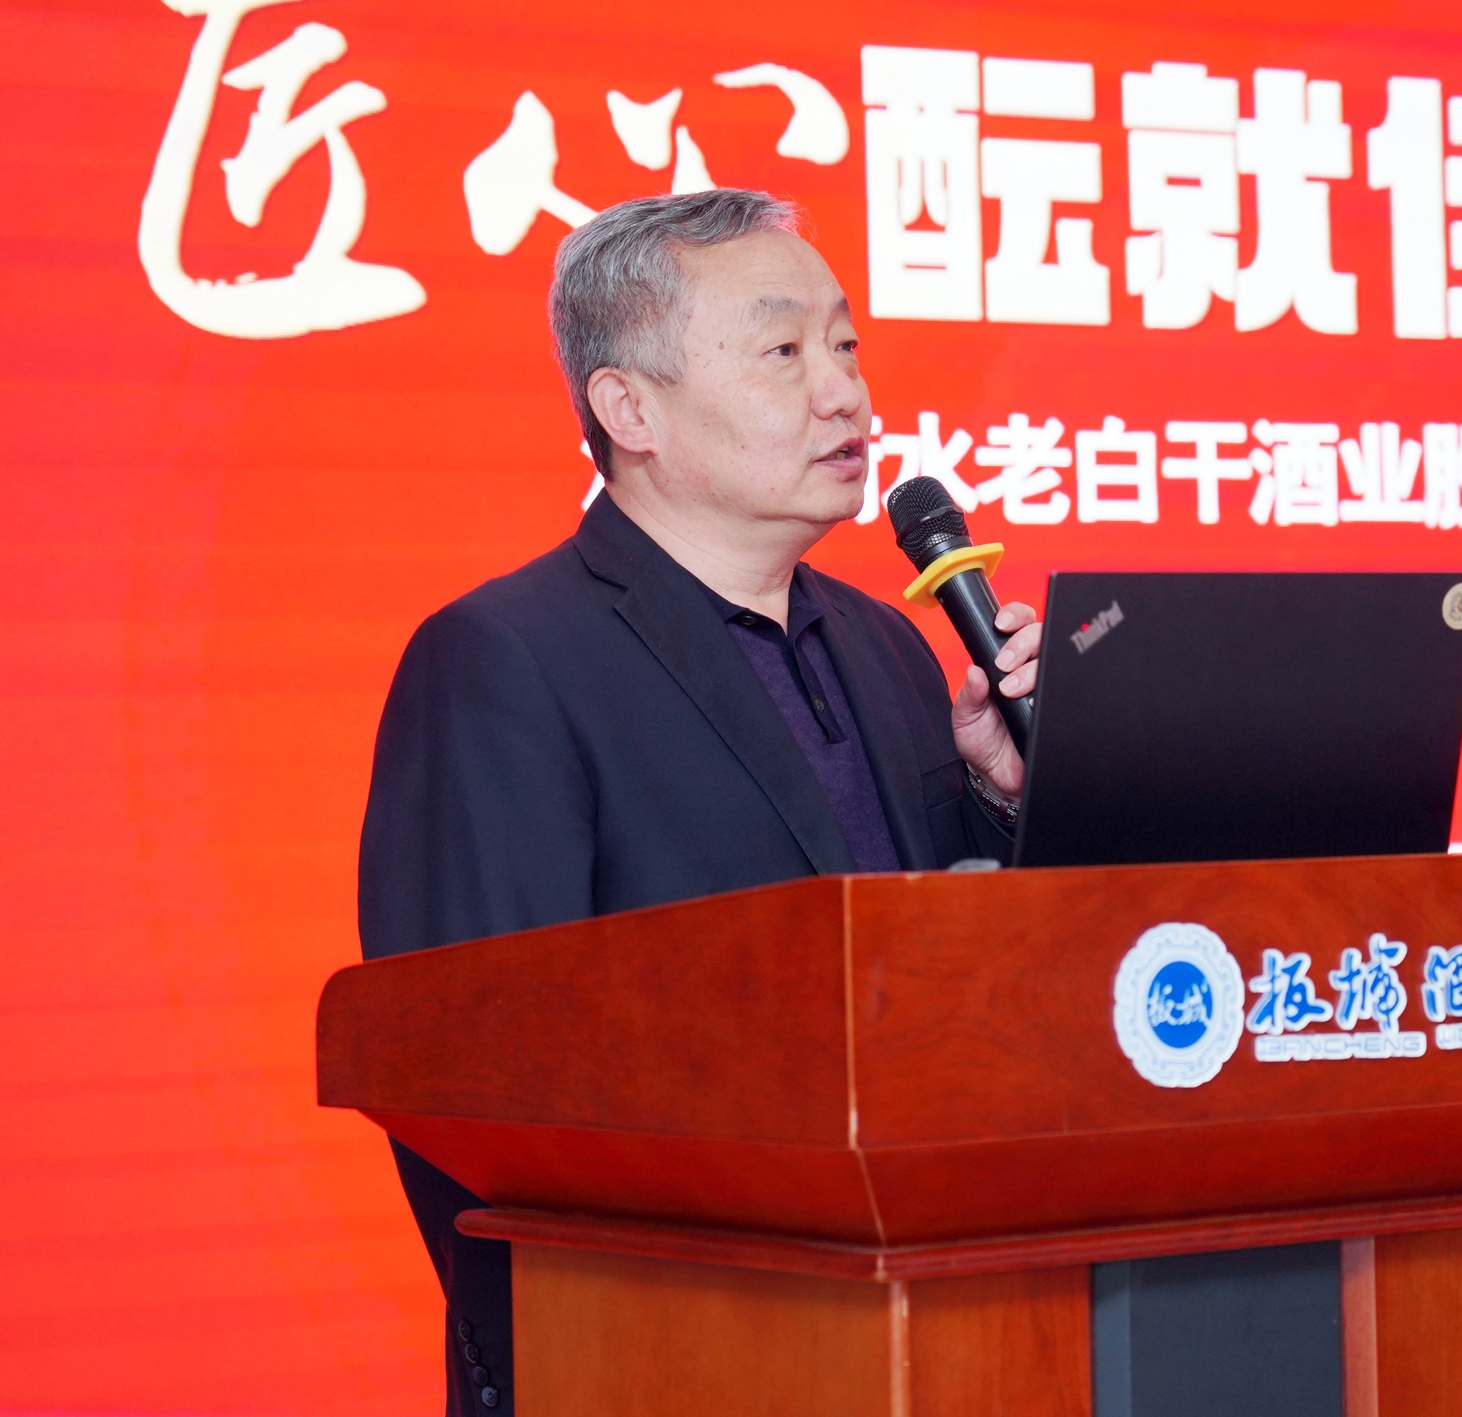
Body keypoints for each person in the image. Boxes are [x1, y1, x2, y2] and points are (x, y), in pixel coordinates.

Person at [355, 189, 1044, 1414]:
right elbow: (459, 1082)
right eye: (783, 351)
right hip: (658, 1358)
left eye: (845, 344)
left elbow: (956, 1004)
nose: (844, 393)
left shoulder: (888, 645)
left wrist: (1001, 799)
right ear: (629, 410)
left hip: (932, 1335)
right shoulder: (506, 658)